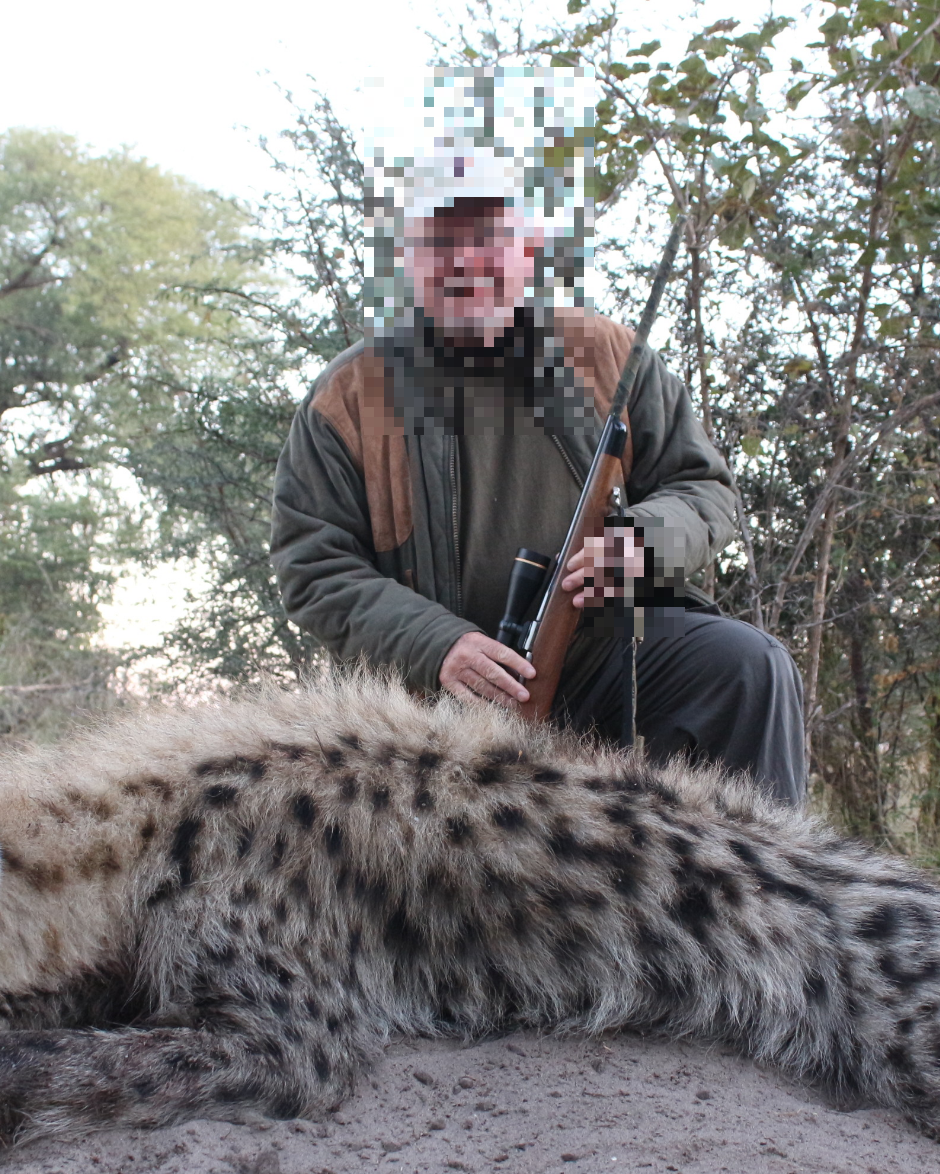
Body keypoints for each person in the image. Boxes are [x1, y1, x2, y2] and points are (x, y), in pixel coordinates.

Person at [269, 67, 805, 804]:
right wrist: (439, 647)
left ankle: (775, 909)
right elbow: (314, 565)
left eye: (485, 235)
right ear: (406, 258)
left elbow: (706, 492)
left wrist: (639, 546)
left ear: (528, 246)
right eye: (438, 239)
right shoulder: (348, 397)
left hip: (599, 659)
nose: (464, 260)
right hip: (429, 698)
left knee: (750, 667)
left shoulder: (612, 359)